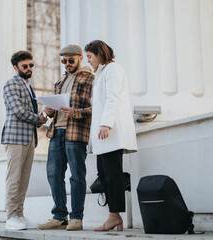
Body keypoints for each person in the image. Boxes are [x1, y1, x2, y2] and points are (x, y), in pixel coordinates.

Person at [38, 44, 94, 231]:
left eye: (71, 60)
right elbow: (57, 108)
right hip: (56, 132)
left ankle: (76, 217)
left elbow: (96, 107)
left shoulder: (90, 79)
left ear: (80, 59)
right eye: (64, 60)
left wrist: (75, 112)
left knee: (77, 176)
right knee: (54, 175)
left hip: (75, 133)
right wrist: (50, 110)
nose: (67, 64)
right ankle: (59, 216)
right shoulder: (60, 81)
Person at [84, 40, 137, 231]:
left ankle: (114, 216)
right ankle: (114, 217)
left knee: (112, 175)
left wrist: (106, 123)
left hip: (111, 132)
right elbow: (100, 104)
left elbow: (113, 98)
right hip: (104, 136)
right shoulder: (101, 73)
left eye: (90, 57)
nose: (88, 61)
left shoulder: (113, 69)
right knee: (105, 175)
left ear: (99, 54)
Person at [1, 50, 47, 230]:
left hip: (29, 138)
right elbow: (18, 111)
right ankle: (11, 216)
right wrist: (38, 119)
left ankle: (19, 215)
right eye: (24, 66)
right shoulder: (11, 84)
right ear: (15, 67)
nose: (29, 69)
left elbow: (28, 111)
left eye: (30, 65)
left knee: (24, 179)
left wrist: (42, 116)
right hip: (15, 138)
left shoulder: (28, 85)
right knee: (14, 179)